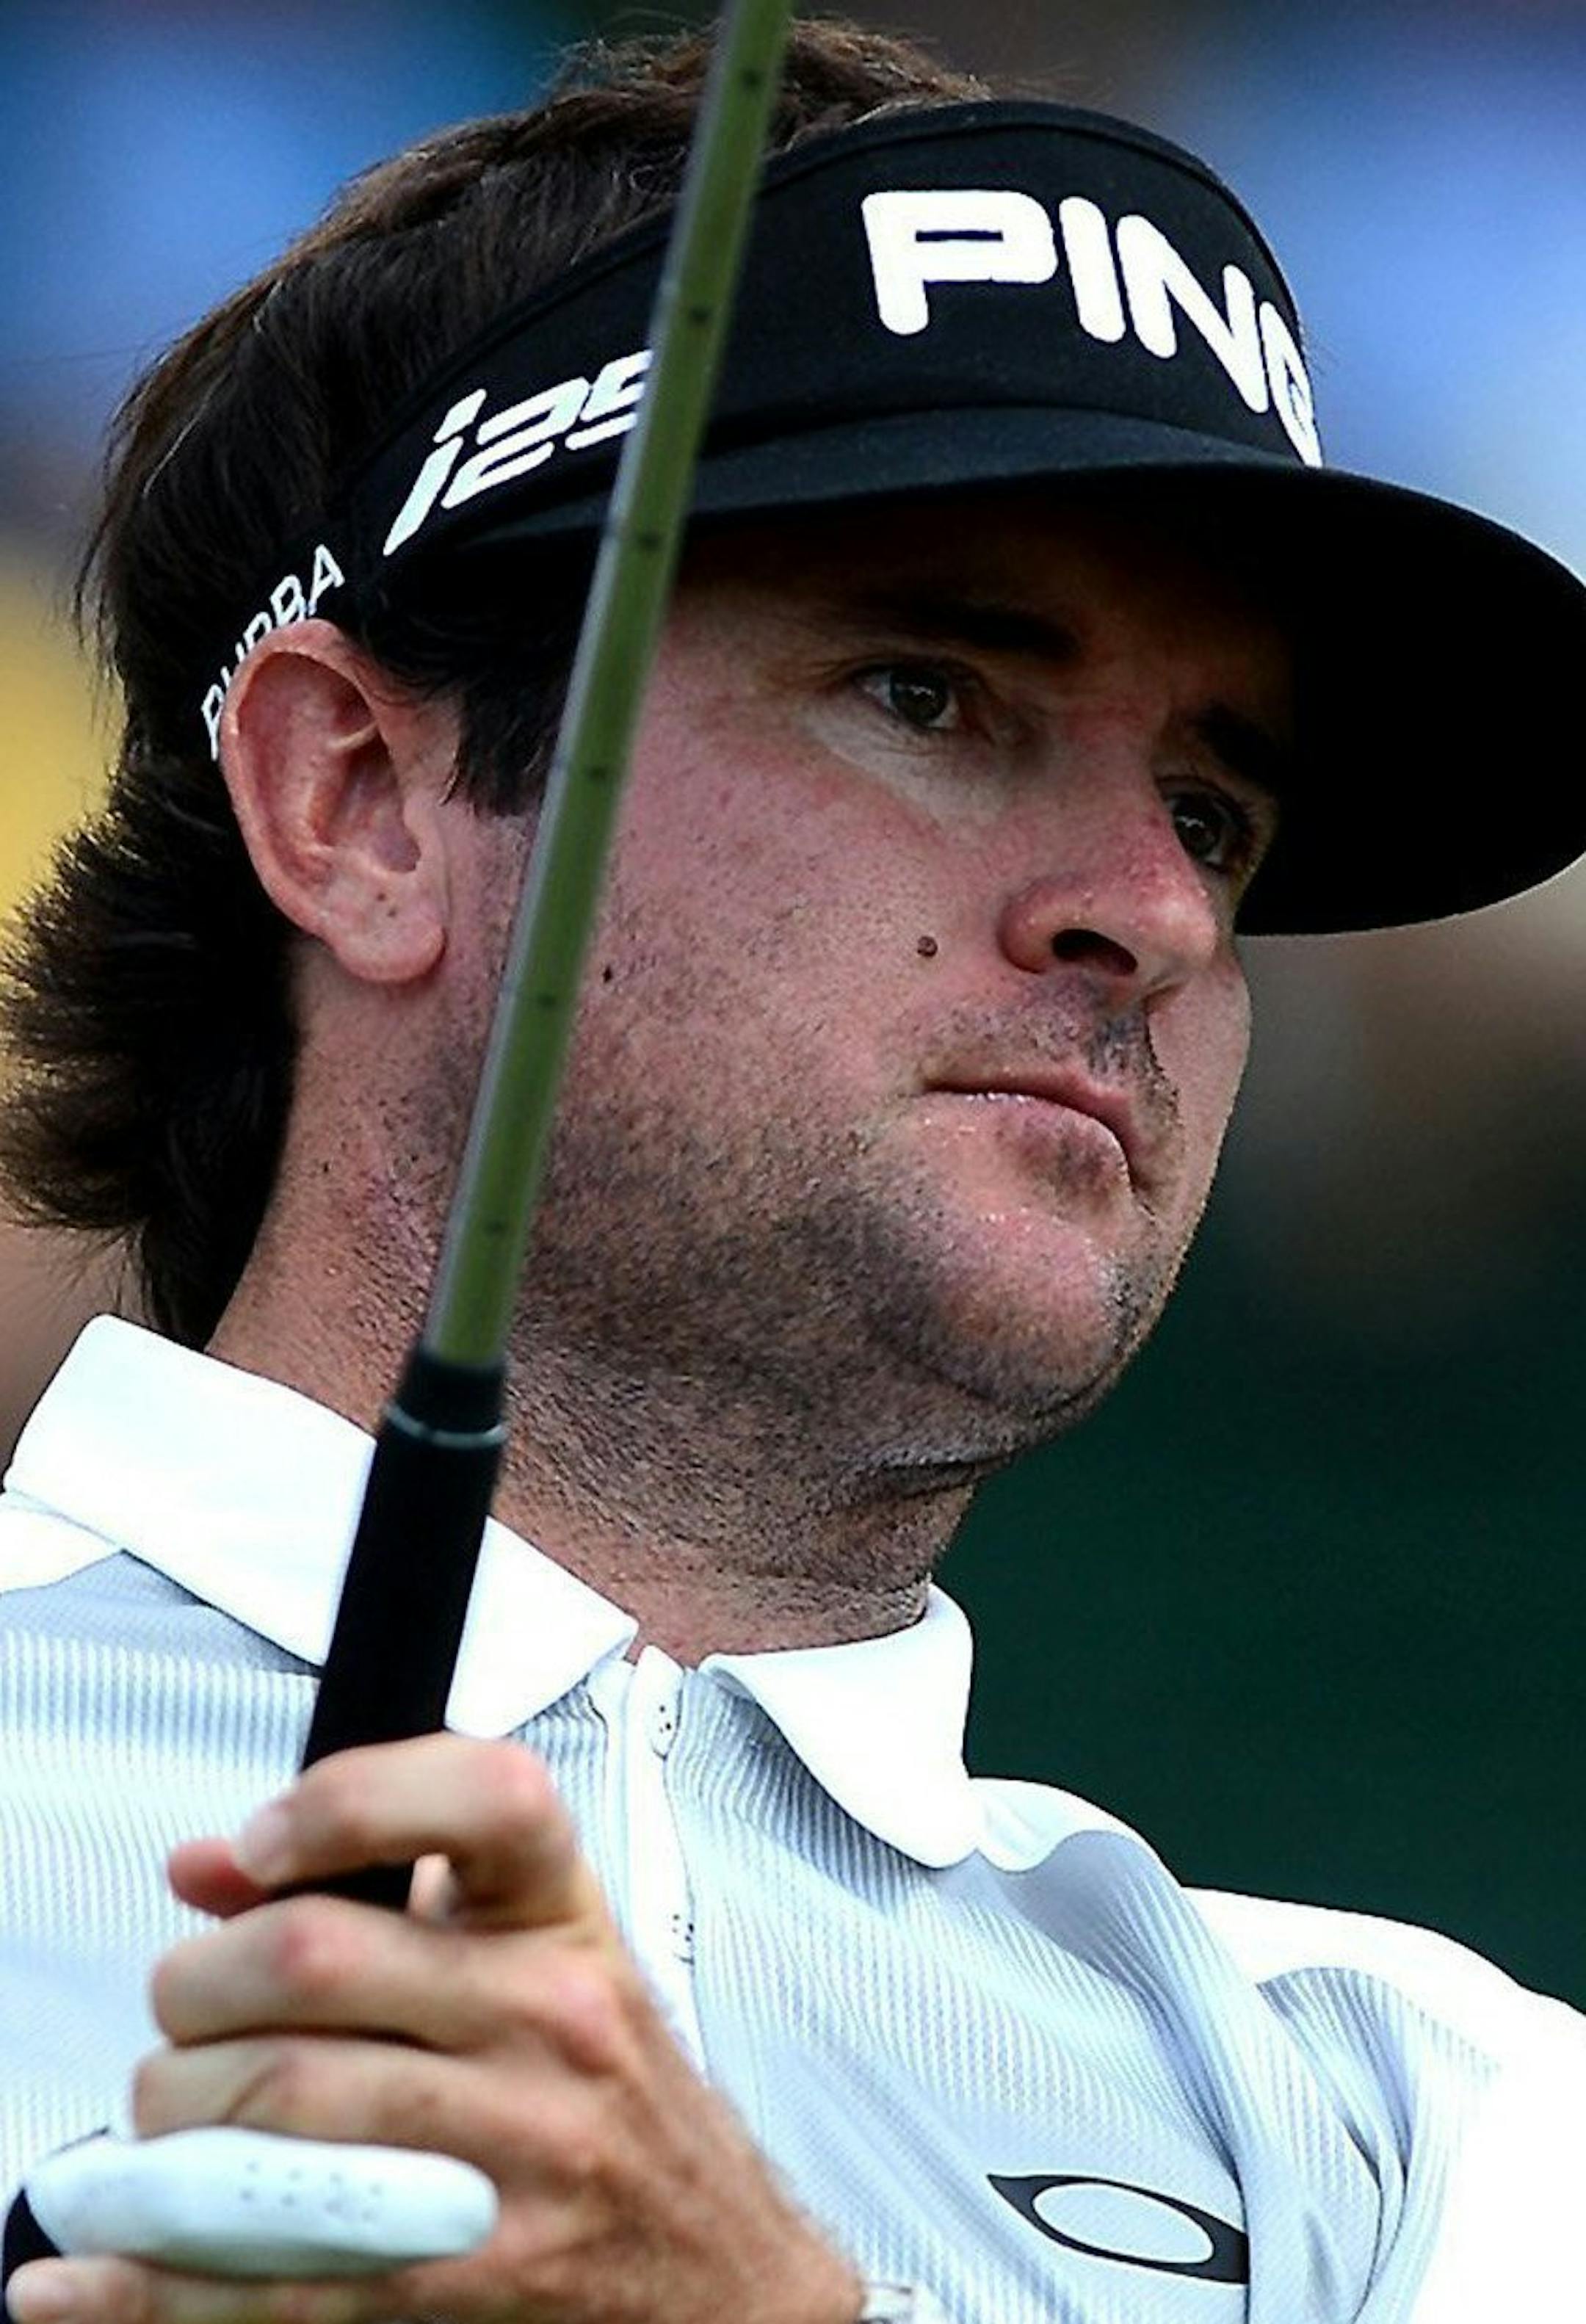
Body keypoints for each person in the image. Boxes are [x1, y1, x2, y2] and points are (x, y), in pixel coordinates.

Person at [2, 21, 1584, 2324]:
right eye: (930, 693)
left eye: (1221, 815)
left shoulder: (1421, 2123)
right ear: (351, 799)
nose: (1152, 909)